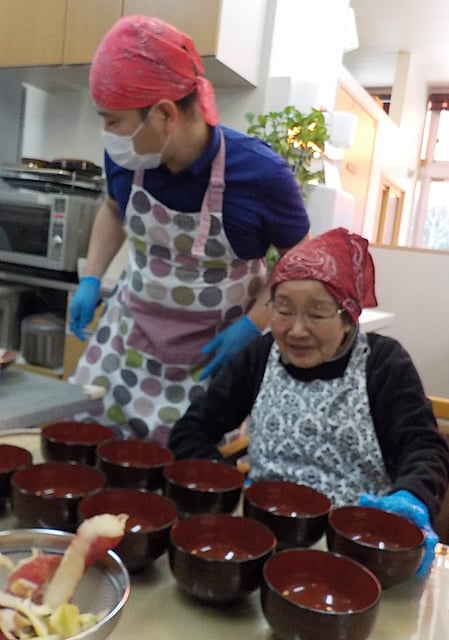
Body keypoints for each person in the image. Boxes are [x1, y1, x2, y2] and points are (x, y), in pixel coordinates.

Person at [68, 15, 310, 442]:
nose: (107, 134)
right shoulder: (128, 158)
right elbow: (112, 209)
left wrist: (255, 323)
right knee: (97, 451)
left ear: (164, 115)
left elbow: (299, 262)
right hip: (129, 345)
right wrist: (92, 276)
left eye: (113, 121)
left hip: (212, 358)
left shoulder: (261, 175)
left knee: (188, 470)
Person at [167, 227, 449, 575]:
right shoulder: (260, 355)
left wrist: (411, 498)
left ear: (348, 318)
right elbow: (191, 429)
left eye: (316, 314)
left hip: (350, 548)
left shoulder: (382, 363)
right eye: (283, 310)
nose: (296, 330)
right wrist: (229, 487)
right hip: (260, 541)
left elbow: (424, 448)